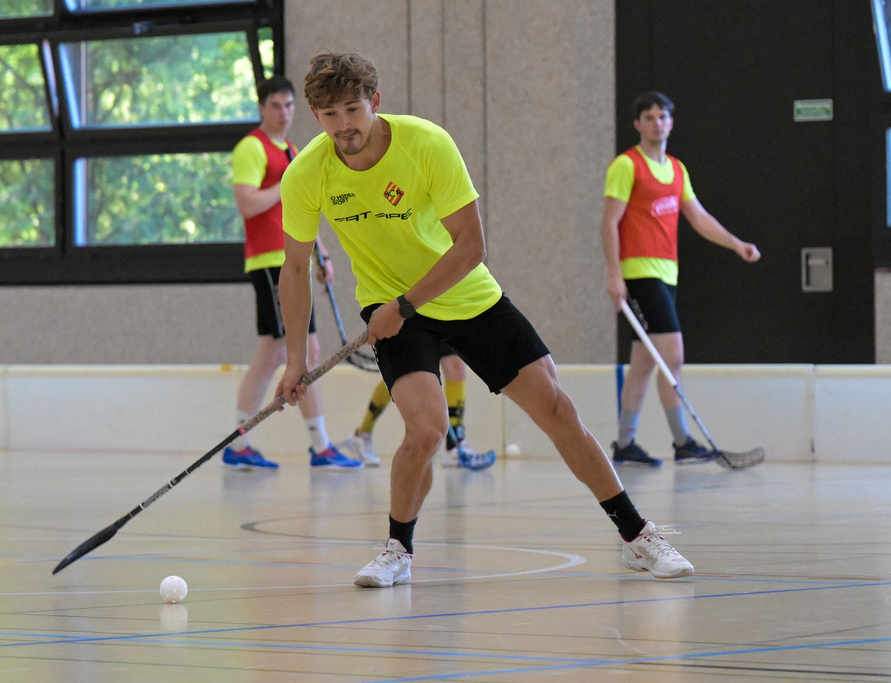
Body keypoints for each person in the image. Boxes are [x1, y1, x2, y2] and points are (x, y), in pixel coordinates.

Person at [275, 51, 693, 586]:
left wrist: (403, 306)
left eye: (352, 110)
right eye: (330, 116)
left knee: (558, 410)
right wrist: (294, 360)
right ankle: (397, 550)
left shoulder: (427, 144)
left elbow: (471, 246)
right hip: (393, 309)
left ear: (374, 103)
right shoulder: (308, 172)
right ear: (315, 115)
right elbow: (294, 267)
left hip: (463, 295)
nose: (344, 126)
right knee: (425, 432)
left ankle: (637, 537)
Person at [600, 91, 761, 468]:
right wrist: (614, 274)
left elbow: (698, 217)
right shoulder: (626, 166)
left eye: (663, 117)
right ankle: (683, 442)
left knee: (643, 362)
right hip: (639, 273)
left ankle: (625, 445)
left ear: (671, 122)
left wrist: (736, 244)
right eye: (650, 117)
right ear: (638, 124)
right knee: (673, 355)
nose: (657, 123)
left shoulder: (676, 169)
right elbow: (609, 221)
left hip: (667, 273)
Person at [225, 75, 360, 470]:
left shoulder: (293, 150)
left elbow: (302, 211)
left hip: (294, 259)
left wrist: (323, 254)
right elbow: (248, 203)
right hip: (270, 263)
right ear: (261, 108)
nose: (284, 113)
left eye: (289, 106)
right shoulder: (253, 148)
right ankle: (316, 446)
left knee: (274, 354)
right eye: (275, 106)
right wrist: (287, 182)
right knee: (290, 352)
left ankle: (258, 444)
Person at [337, 351, 497, 471]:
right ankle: (362, 435)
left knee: (455, 364)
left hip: (440, 307)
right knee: (403, 369)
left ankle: (454, 445)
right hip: (410, 310)